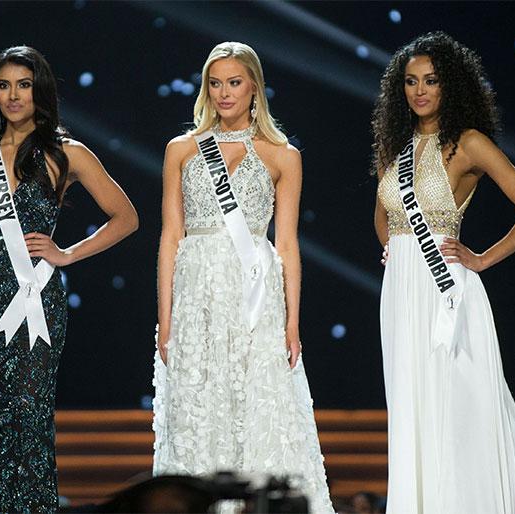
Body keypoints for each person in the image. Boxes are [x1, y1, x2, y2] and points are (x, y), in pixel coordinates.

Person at [372, 31, 515, 514]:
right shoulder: (396, 150)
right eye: (411, 82)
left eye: (431, 81)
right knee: (413, 413)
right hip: (401, 295)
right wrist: (395, 252)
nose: (420, 91)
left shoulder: (468, 144)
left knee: (458, 414)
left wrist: (481, 258)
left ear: (450, 85)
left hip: (447, 295)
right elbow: (383, 217)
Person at [0, 46, 138, 513]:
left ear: (40, 91)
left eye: (24, 85)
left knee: (28, 423)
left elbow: (126, 217)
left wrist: (67, 253)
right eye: (3, 85)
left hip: (34, 300)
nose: (13, 95)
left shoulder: (66, 153)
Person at [152, 41, 333, 513]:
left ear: (254, 85)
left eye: (234, 82)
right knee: (198, 406)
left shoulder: (282, 154)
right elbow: (171, 235)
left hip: (255, 293)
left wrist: (292, 322)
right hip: (196, 294)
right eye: (216, 83)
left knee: (256, 404)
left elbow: (288, 244)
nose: (224, 93)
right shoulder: (182, 149)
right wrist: (165, 320)